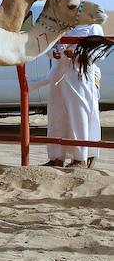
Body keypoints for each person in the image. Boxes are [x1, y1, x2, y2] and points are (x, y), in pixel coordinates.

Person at [31, 23, 104, 168]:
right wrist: (53, 53)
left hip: (80, 79)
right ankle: (56, 158)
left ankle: (80, 159)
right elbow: (49, 46)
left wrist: (78, 55)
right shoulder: (61, 25)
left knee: (79, 117)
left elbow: (99, 53)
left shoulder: (92, 28)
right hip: (58, 77)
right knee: (56, 117)